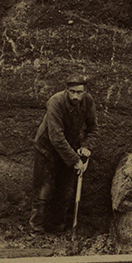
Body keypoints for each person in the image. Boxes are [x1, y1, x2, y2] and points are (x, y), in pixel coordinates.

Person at [28, 73, 98, 234]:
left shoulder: (88, 102)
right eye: (72, 92)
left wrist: (86, 147)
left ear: (85, 92)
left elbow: (93, 129)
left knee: (66, 191)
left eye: (79, 92)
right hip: (47, 150)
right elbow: (56, 137)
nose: (75, 96)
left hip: (69, 149)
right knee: (44, 191)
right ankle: (36, 229)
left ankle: (57, 228)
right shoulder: (55, 102)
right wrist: (75, 160)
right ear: (66, 90)